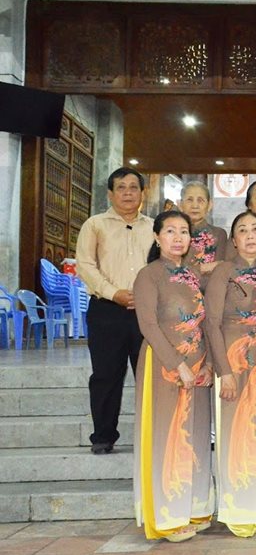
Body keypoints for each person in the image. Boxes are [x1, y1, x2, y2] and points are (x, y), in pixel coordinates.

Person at [133, 210, 214, 542]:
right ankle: (167, 517)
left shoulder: (194, 275)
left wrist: (207, 363)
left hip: (197, 365)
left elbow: (205, 322)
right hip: (163, 364)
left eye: (184, 231)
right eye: (170, 231)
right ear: (156, 237)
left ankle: (194, 507)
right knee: (168, 438)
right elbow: (148, 324)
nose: (178, 237)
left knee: (194, 437)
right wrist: (175, 363)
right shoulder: (148, 275)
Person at [204, 211, 256, 537]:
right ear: (234, 239)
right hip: (233, 362)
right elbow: (211, 322)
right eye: (242, 230)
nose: (250, 235)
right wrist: (224, 370)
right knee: (236, 432)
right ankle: (239, 508)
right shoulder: (224, 271)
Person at [76, 167, 155, 455]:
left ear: (142, 194)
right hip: (106, 310)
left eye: (134, 187)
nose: (128, 193)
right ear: (110, 193)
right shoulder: (95, 224)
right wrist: (114, 293)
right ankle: (103, 435)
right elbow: (85, 266)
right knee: (106, 375)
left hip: (146, 313)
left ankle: (153, 436)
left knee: (149, 375)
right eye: (121, 188)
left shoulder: (154, 227)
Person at [179, 180, 227, 275]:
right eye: (189, 200)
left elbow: (220, 269)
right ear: (180, 205)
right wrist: (203, 268)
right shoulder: (171, 233)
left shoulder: (218, 234)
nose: (195, 206)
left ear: (209, 205)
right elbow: (168, 269)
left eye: (200, 200)